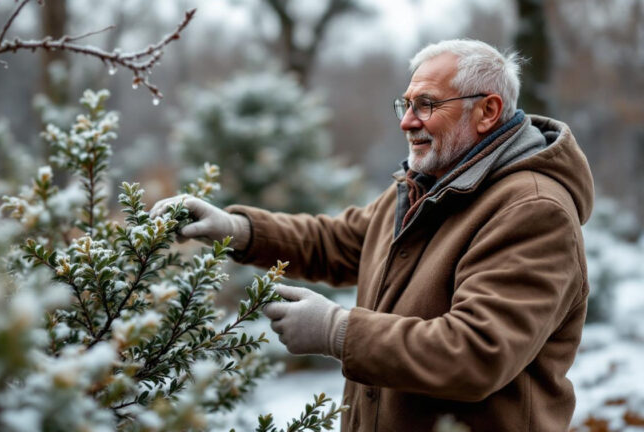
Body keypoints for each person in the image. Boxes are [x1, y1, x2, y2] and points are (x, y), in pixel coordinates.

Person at [151, 39, 593, 431]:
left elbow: (477, 353)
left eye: (427, 104)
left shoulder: (532, 210)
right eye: (406, 105)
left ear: (487, 111)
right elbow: (337, 242)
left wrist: (337, 331)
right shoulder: (431, 187)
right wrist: (236, 228)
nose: (407, 122)